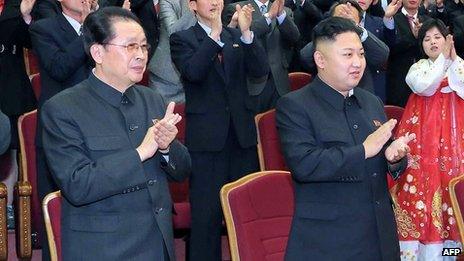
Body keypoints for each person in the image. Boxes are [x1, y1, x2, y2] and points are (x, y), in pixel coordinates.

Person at [41, 7, 191, 260]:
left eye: (143, 46)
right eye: (130, 46)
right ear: (98, 52)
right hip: (104, 248)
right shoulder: (62, 109)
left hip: (157, 243)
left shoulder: (152, 99)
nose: (141, 55)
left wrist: (167, 148)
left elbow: (183, 171)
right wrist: (141, 152)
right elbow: (78, 184)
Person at [276, 16, 414, 260]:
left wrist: (393, 158)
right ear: (320, 60)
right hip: (329, 241)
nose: (358, 63)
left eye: (360, 54)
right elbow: (305, 165)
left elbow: (379, 161)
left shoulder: (370, 101)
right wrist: (364, 150)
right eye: (347, 55)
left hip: (379, 236)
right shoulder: (295, 105)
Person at [170, 0, 269, 259]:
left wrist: (247, 34)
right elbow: (193, 72)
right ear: (192, 5)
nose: (215, 2)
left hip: (241, 137)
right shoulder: (182, 39)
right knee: (206, 216)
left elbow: (260, 70)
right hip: (206, 142)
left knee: (247, 211)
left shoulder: (237, 36)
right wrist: (213, 36)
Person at [392, 18, 464, 259]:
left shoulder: (459, 64)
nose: (433, 42)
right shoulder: (418, 68)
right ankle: (422, 255)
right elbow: (425, 87)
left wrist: (452, 60)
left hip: (455, 141)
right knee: (421, 186)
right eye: (427, 38)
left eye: (438, 37)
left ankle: (452, 252)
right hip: (423, 139)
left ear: (447, 40)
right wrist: (444, 59)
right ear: (421, 44)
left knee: (452, 186)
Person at [224, 0, 300, 113]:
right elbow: (244, 35)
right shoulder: (238, 8)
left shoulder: (285, 10)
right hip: (251, 82)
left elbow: (294, 37)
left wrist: (280, 16)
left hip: (279, 81)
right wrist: (268, 17)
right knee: (254, 126)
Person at [300, 0, 390, 94]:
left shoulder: (365, 38)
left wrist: (355, 28)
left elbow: (382, 56)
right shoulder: (322, 36)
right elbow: (305, 58)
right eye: (339, 20)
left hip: (360, 95)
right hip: (324, 96)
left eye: (350, 21)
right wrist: (331, 30)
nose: (344, 26)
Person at [147, 0, 196, 103]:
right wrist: (193, 10)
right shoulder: (168, 1)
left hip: (195, 71)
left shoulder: (211, 3)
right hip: (165, 76)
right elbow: (173, 33)